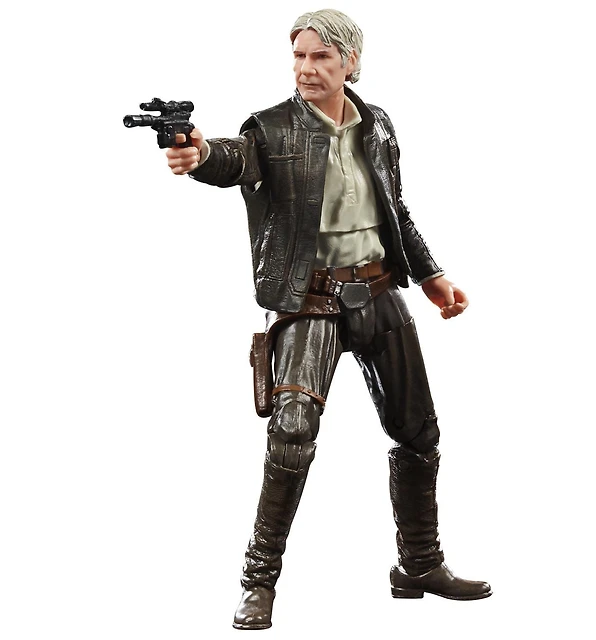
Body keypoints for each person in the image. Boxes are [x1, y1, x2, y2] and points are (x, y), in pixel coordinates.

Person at [166, 9, 491, 631]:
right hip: (309, 301)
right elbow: (231, 160)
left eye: (320, 56)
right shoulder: (270, 127)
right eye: (299, 56)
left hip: (378, 291)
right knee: (292, 434)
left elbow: (395, 208)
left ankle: (420, 565)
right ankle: (258, 582)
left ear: (351, 62)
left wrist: (430, 275)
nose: (306, 68)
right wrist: (196, 152)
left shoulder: (378, 124)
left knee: (418, 431)